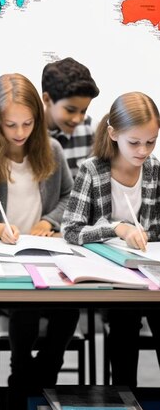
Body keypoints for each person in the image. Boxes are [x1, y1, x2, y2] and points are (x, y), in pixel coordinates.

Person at [0, 73, 78, 410]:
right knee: (27, 300)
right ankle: (21, 369)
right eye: (10, 124)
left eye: (28, 123)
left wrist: (48, 221)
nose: (19, 132)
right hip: (0, 260)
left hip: (43, 253)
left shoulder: (52, 151)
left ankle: (43, 371)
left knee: (70, 303)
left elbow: (68, 200)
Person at [62, 91, 160, 386]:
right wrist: (116, 229)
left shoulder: (154, 170)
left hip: (150, 273)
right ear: (113, 134)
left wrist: (145, 235)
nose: (143, 151)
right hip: (112, 276)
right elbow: (71, 229)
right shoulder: (92, 170)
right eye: (134, 142)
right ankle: (124, 398)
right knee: (124, 320)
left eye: (151, 142)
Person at [42, 57, 100, 178]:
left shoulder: (92, 131)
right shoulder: (24, 132)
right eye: (70, 110)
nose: (77, 119)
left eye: (83, 111)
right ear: (47, 99)